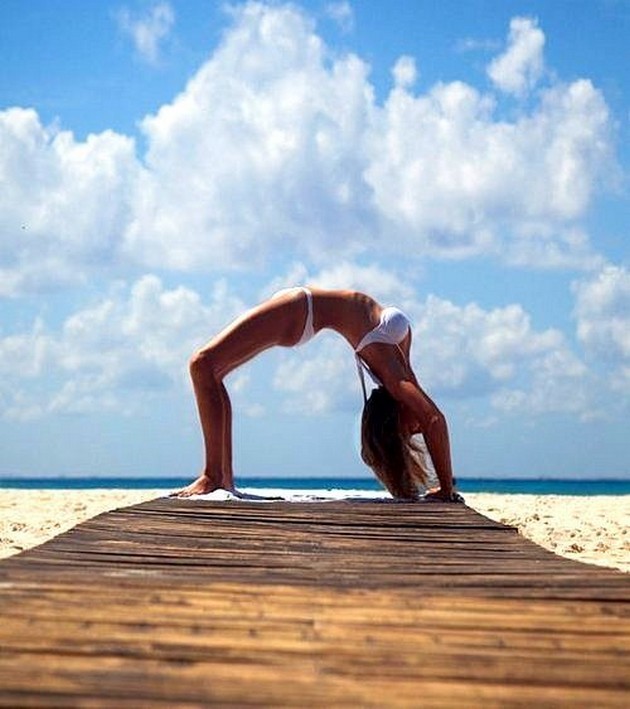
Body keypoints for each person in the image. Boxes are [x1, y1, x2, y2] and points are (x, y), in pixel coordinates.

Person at [174, 286, 460, 501]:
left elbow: (433, 419)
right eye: (415, 431)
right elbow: (433, 419)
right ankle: (221, 478)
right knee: (212, 372)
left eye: (409, 432)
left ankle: (213, 476)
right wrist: (446, 487)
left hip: (302, 310)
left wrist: (445, 490)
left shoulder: (396, 382)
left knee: (202, 365)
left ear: (395, 415)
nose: (418, 428)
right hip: (303, 307)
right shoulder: (400, 378)